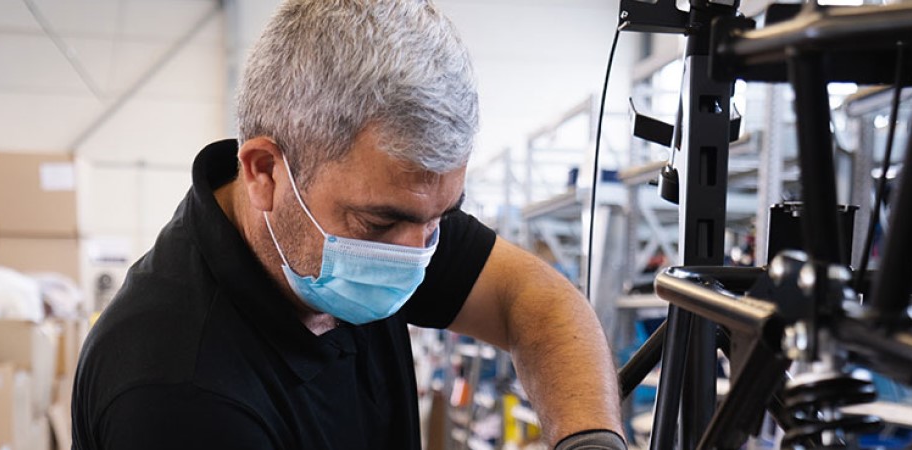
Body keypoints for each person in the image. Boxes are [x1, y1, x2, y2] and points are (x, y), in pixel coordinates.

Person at [71, 1, 624, 449]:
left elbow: (532, 299)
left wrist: (589, 440)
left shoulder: (386, 216)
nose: (416, 256)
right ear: (264, 171)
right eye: (381, 221)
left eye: (440, 219)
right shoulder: (179, 394)